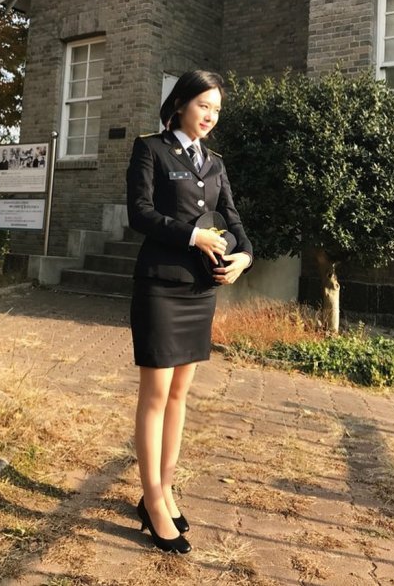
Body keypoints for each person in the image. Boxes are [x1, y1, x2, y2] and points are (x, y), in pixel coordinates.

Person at [126, 70, 253, 553]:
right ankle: (153, 502)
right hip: (160, 286)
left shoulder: (215, 163)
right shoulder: (150, 149)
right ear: (180, 103)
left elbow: (233, 220)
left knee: (180, 394)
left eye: (216, 110)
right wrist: (192, 235)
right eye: (204, 105)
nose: (210, 116)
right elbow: (139, 212)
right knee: (156, 395)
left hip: (201, 290)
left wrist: (244, 257)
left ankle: (165, 488)